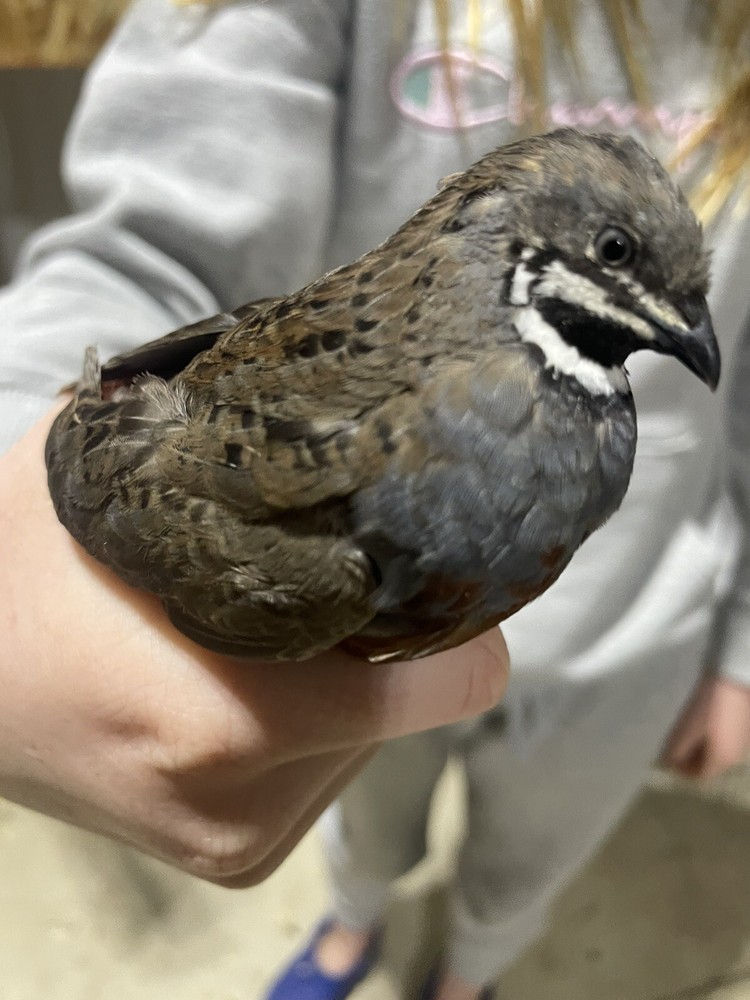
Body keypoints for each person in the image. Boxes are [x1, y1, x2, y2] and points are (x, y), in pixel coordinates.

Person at [0, 0, 747, 995]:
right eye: (618, 264)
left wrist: (737, 648)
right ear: (523, 260)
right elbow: (137, 256)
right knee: (369, 811)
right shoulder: (314, 517)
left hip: (636, 644)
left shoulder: (592, 410)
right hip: (378, 648)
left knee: (528, 855)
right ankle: (354, 929)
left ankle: (469, 970)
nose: (684, 326)